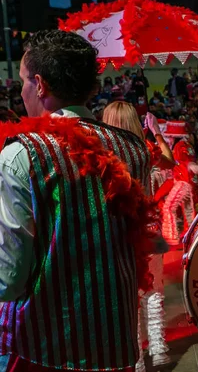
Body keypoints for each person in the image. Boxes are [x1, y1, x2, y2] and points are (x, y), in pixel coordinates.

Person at [0, 30, 157, 371]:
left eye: (24, 82)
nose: (22, 91)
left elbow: (9, 278)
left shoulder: (20, 154)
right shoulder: (134, 148)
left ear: (40, 85)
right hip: (116, 345)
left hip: (44, 349)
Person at [102, 103, 173, 371]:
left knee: (129, 294)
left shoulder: (104, 153)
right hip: (150, 226)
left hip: (119, 230)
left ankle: (137, 359)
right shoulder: (144, 149)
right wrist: (155, 132)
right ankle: (159, 348)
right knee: (154, 289)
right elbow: (170, 161)